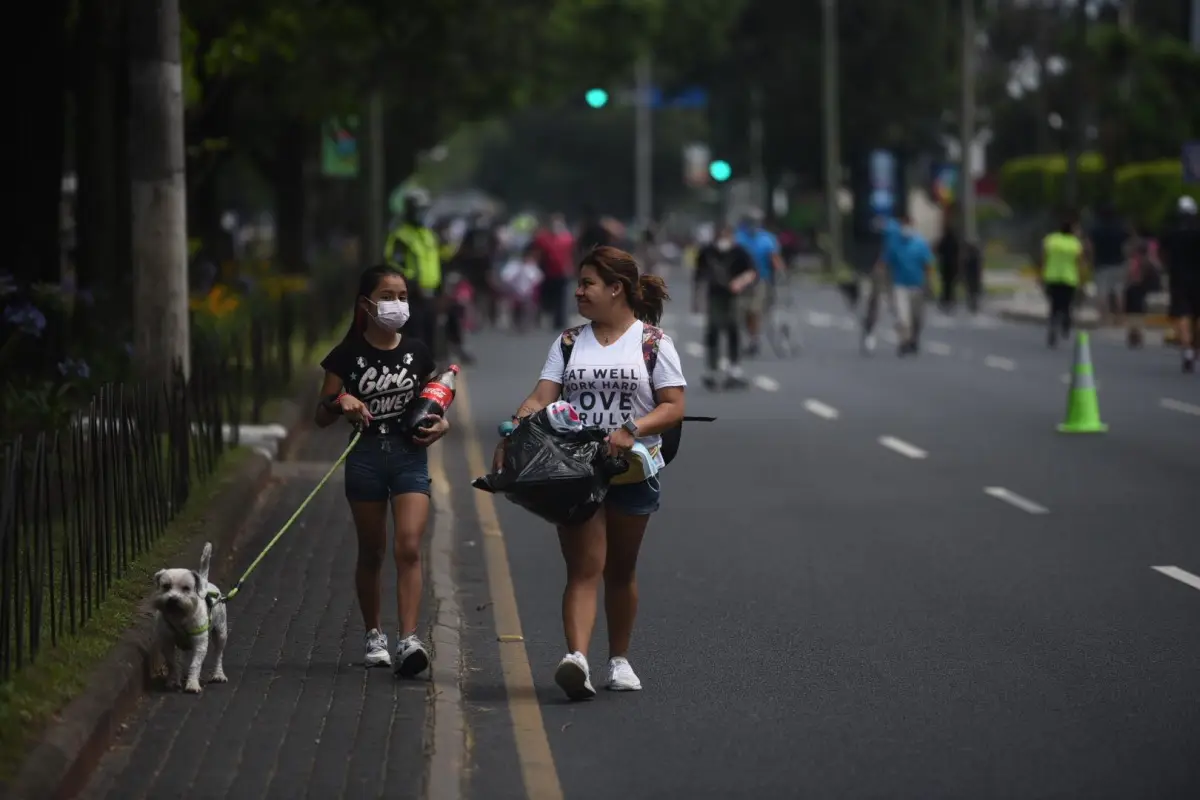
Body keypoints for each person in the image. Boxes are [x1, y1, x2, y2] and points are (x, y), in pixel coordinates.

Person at [496, 246, 687, 700]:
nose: (578, 291)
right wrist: (516, 425)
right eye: (579, 284)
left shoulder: (652, 343)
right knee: (584, 567)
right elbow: (541, 396)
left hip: (632, 469)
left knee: (620, 571)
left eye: (587, 284)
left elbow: (675, 406)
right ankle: (576, 660)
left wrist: (631, 429)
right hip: (574, 472)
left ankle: (619, 660)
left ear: (615, 289)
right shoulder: (567, 343)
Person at [314, 265, 451, 677]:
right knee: (372, 550)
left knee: (409, 545)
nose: (397, 304)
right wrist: (343, 403)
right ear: (366, 304)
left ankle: (409, 638)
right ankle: (374, 633)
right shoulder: (346, 355)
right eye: (388, 296)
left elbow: (435, 398)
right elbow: (321, 414)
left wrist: (443, 423)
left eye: (403, 296)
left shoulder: (418, 351)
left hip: (409, 457)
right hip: (366, 459)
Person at [694, 223, 756, 389]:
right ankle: (712, 369)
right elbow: (699, 275)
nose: (723, 240)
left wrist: (740, 282)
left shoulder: (739, 252)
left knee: (733, 328)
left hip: (734, 296)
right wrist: (696, 300)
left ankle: (734, 369)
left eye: (726, 236)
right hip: (714, 295)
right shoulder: (707, 252)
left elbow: (751, 272)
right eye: (720, 236)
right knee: (713, 329)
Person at [875, 212, 936, 356]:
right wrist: (879, 279)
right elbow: (884, 262)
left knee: (917, 317)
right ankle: (904, 341)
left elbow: (928, 264)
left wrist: (929, 283)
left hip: (917, 286)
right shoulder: (894, 244)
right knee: (903, 318)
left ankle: (914, 340)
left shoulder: (920, 243)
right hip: (900, 286)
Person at [735, 209, 785, 357]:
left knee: (755, 310)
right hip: (741, 280)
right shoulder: (738, 238)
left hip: (760, 280)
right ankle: (747, 335)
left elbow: (774, 257)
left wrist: (780, 271)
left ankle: (754, 340)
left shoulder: (767, 239)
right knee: (742, 312)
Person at [1159, 195, 1200, 372]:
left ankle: (1187, 350)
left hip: (1179, 278)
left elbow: (1162, 255)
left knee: (1183, 313)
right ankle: (1195, 346)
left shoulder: (1171, 233)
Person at [1038, 217, 1085, 349]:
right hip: (1069, 278)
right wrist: (1082, 280)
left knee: (1054, 305)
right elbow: (1080, 263)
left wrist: (1040, 275)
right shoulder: (1075, 243)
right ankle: (1066, 322)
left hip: (1052, 277)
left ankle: (1053, 325)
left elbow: (1043, 258)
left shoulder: (1051, 240)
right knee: (1067, 304)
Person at [1087, 203, 1133, 326]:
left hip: (1101, 264)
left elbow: (1090, 247)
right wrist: (1128, 261)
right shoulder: (1121, 227)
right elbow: (1127, 246)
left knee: (1102, 292)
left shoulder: (1096, 228)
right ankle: (1120, 318)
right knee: (1119, 292)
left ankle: (1104, 318)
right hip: (1119, 263)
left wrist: (1091, 261)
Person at [531, 213, 575, 329]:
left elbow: (572, 255)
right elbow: (536, 251)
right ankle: (540, 318)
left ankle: (559, 321)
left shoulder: (567, 238)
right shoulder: (543, 238)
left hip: (562, 272)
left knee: (561, 298)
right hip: (546, 272)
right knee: (544, 297)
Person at [935, 218, 963, 312]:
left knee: (946, 284)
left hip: (946, 266)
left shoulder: (944, 240)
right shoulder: (954, 240)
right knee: (951, 284)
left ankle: (946, 298)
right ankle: (950, 298)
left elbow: (939, 251)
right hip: (952, 266)